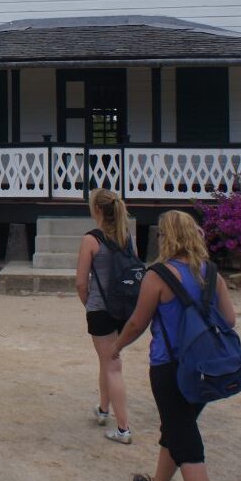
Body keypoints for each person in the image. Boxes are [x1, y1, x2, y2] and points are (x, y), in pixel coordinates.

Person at [112, 210, 236, 481]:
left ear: (167, 237)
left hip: (169, 368)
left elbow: (137, 323)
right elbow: (230, 320)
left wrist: (116, 347)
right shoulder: (212, 274)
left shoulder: (158, 275)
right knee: (177, 429)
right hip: (205, 367)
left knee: (188, 445)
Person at [75, 188, 133, 444]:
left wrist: (89, 303)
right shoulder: (126, 236)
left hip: (100, 308)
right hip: (123, 308)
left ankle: (123, 428)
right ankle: (103, 408)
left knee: (112, 365)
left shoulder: (91, 240)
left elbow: (80, 282)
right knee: (107, 360)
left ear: (96, 209)